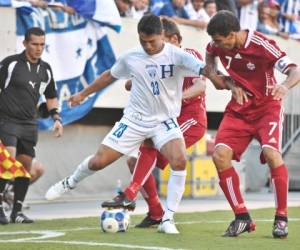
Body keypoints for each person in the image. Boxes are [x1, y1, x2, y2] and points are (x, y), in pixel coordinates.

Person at [45, 14, 207, 234]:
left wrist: (226, 80)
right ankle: (71, 182)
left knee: (176, 159)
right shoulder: (132, 56)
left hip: (174, 120)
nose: (149, 46)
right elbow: (109, 76)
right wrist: (83, 94)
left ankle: (162, 215)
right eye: (144, 41)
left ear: (167, 37)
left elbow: (203, 77)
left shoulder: (181, 55)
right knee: (103, 162)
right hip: (135, 119)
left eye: (154, 41)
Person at [101, 17, 207, 229]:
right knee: (134, 162)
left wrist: (178, 97)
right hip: (162, 121)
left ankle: (134, 196)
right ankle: (156, 211)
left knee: (148, 153)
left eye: (159, 43)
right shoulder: (156, 59)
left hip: (190, 120)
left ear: (174, 39)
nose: (153, 49)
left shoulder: (188, 55)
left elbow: (201, 85)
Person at [205, 10, 300, 238]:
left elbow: (295, 70)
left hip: (267, 108)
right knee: (219, 156)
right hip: (238, 110)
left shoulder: (261, 44)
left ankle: (281, 218)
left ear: (231, 35)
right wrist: (228, 83)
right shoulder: (216, 45)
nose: (215, 44)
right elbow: (209, 63)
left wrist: (285, 86)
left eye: (219, 40)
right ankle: (242, 217)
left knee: (271, 154)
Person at [0, 27, 63, 224]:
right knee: (8, 160)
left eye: (42, 45)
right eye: (34, 44)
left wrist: (57, 119)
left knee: (25, 168)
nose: (38, 48)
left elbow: (51, 97)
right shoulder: (9, 64)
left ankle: (16, 211)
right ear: (25, 43)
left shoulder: (46, 69)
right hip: (6, 121)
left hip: (29, 125)